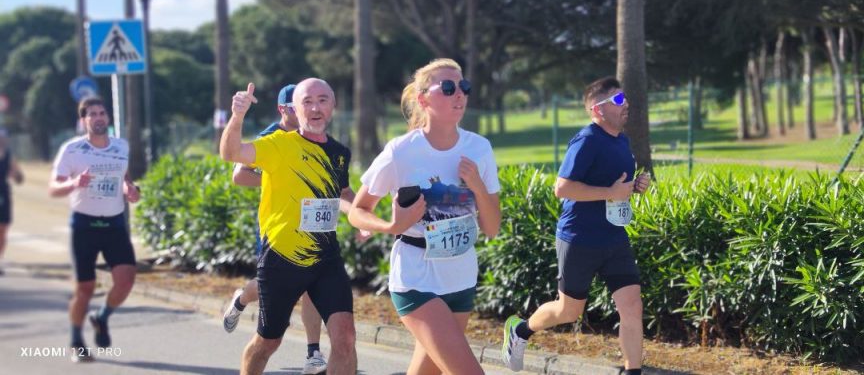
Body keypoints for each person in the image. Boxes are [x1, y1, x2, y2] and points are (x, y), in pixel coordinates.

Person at [348, 58, 502, 375]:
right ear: (422, 100)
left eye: (463, 87)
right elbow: (358, 211)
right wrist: (391, 225)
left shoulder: (479, 148)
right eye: (447, 87)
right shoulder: (401, 151)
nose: (459, 94)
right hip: (416, 277)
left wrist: (476, 185)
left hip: (461, 275)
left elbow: (492, 228)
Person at [501, 77, 651, 374]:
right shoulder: (586, 140)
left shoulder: (622, 140)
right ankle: (520, 330)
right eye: (618, 100)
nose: (626, 104)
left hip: (614, 236)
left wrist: (635, 186)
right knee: (569, 311)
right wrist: (611, 192)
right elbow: (562, 188)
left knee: (632, 306)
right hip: (580, 238)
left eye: (625, 98)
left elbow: (614, 186)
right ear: (597, 110)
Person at [220, 78, 357, 375]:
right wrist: (237, 116)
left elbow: (343, 193)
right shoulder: (278, 144)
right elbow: (231, 154)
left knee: (345, 338)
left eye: (322, 100)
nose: (315, 108)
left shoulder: (340, 153)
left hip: (326, 258)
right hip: (281, 258)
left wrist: (362, 216)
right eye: (307, 102)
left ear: (333, 105)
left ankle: (313, 352)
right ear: (294, 109)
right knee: (268, 343)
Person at [48, 97, 141, 362]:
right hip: (84, 226)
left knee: (126, 280)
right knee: (85, 289)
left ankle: (101, 317)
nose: (99, 117)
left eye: (102, 113)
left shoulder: (121, 146)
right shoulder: (72, 150)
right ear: (83, 121)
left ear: (108, 118)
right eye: (92, 114)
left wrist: (130, 190)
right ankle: (76, 340)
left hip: (114, 224)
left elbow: (124, 178)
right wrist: (75, 183)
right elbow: (53, 188)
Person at [0, 128, 25, 275]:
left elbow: (19, 178)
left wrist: (16, 174)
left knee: (3, 229)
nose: (2, 140)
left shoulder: (9, 156)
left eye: (3, 138)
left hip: (3, 194)